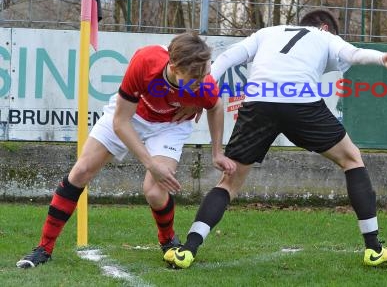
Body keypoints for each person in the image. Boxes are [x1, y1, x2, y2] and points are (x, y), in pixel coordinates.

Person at [163, 9, 387, 269]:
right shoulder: (323, 36)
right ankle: (373, 249)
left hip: (259, 101)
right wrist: (382, 58)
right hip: (301, 103)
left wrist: (200, 94)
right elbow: (354, 54)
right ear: (326, 28)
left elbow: (227, 58)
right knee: (352, 160)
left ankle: (188, 250)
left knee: (229, 182)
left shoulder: (266, 33)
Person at [16, 33, 236, 268]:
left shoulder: (204, 83)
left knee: (153, 191)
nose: (200, 83)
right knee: (80, 172)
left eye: (203, 76)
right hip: (132, 116)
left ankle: (168, 241)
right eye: (194, 79)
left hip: (170, 125)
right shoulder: (145, 61)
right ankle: (43, 248)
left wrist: (217, 152)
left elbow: (215, 107)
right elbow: (121, 122)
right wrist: (151, 163)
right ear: (173, 67)